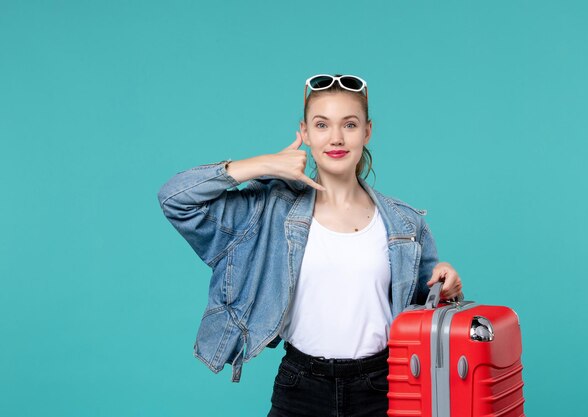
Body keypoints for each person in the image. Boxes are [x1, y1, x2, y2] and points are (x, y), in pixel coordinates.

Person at [157, 74, 463, 417]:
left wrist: (446, 281)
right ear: (305, 132)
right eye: (322, 125)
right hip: (300, 387)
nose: (336, 138)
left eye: (349, 124)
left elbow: (426, 306)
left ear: (367, 132)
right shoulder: (268, 210)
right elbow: (175, 200)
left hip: (383, 388)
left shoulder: (405, 224)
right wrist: (262, 164)